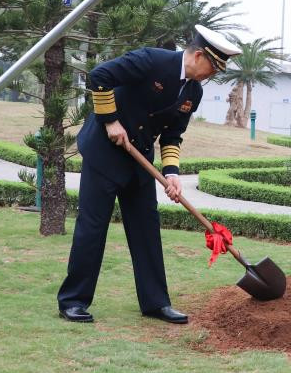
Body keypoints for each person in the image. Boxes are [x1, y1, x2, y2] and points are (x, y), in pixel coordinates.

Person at [57, 25, 239, 324]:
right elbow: (99, 76)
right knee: (93, 228)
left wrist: (172, 173)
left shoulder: (194, 92)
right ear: (197, 56)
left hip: (139, 161)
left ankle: (156, 303)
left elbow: (172, 135)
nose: (212, 75)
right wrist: (111, 122)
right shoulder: (152, 61)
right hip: (104, 153)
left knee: (147, 231)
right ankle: (73, 301)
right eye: (213, 67)